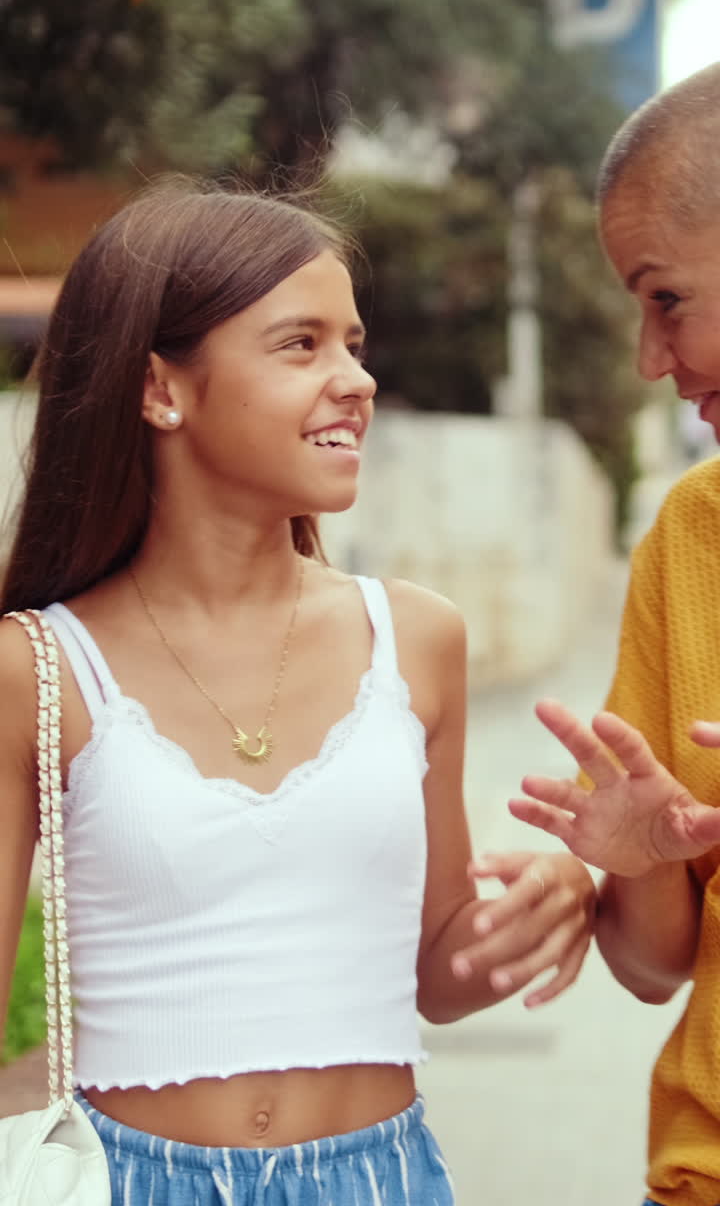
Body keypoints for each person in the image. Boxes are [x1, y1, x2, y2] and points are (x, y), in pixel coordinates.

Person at [0, 177, 595, 1205]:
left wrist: (554, 901)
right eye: (301, 343)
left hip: (382, 1177)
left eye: (354, 342)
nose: (355, 378)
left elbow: (435, 974)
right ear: (160, 389)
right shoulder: (36, 668)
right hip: (126, 1181)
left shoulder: (415, 638)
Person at [506, 61, 720, 1206]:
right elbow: (655, 968)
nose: (650, 359)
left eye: (666, 297)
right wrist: (637, 864)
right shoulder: (689, 536)